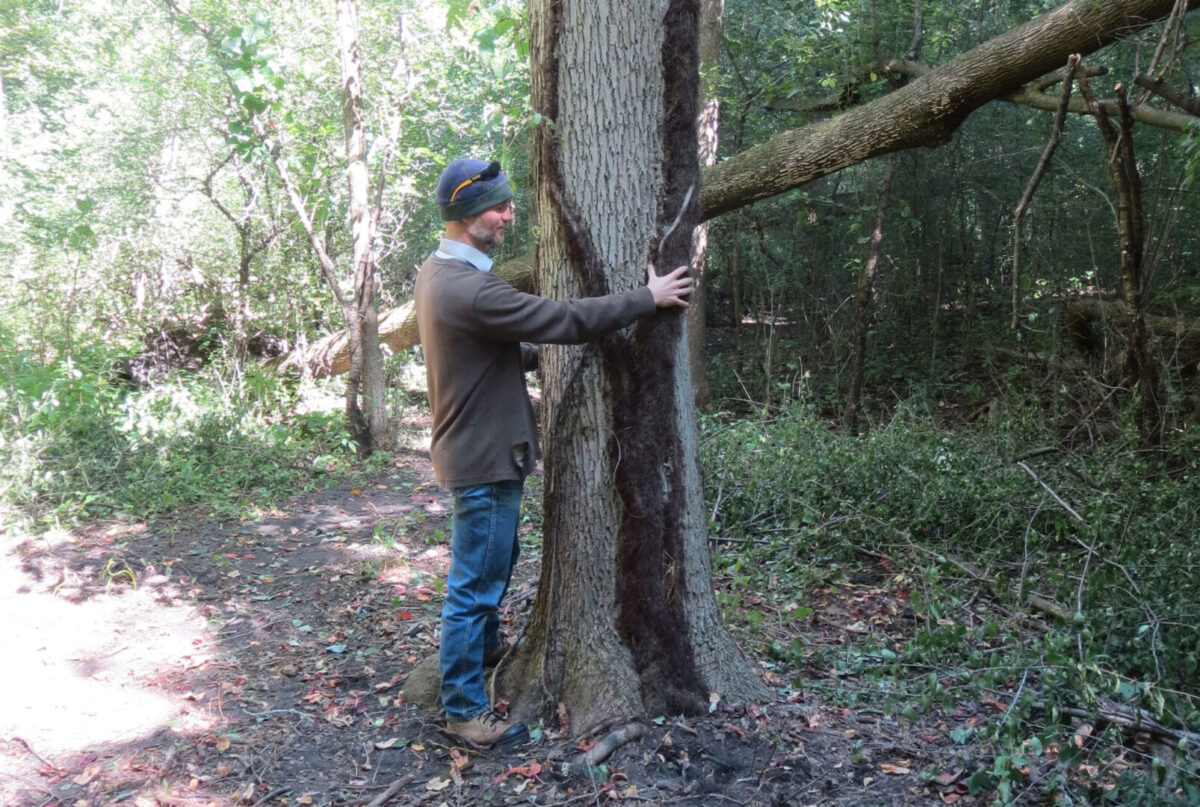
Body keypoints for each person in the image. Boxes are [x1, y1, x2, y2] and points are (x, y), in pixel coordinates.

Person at [413, 158, 692, 750]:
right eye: (499, 207)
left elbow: (482, 352)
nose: (510, 215)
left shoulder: (438, 273)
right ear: (466, 216)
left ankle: (485, 650)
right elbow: (562, 318)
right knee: (474, 587)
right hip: (485, 459)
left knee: (494, 563)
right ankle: (464, 710)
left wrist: (530, 359)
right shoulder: (469, 288)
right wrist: (648, 297)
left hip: (478, 451)